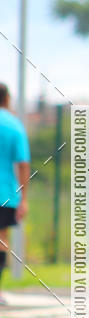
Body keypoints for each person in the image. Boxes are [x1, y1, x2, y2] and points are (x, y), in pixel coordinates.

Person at [0, 83, 30, 305]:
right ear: (7, 99)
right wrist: (24, 198)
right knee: (1, 239)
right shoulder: (14, 126)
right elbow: (23, 164)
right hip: (5, 193)